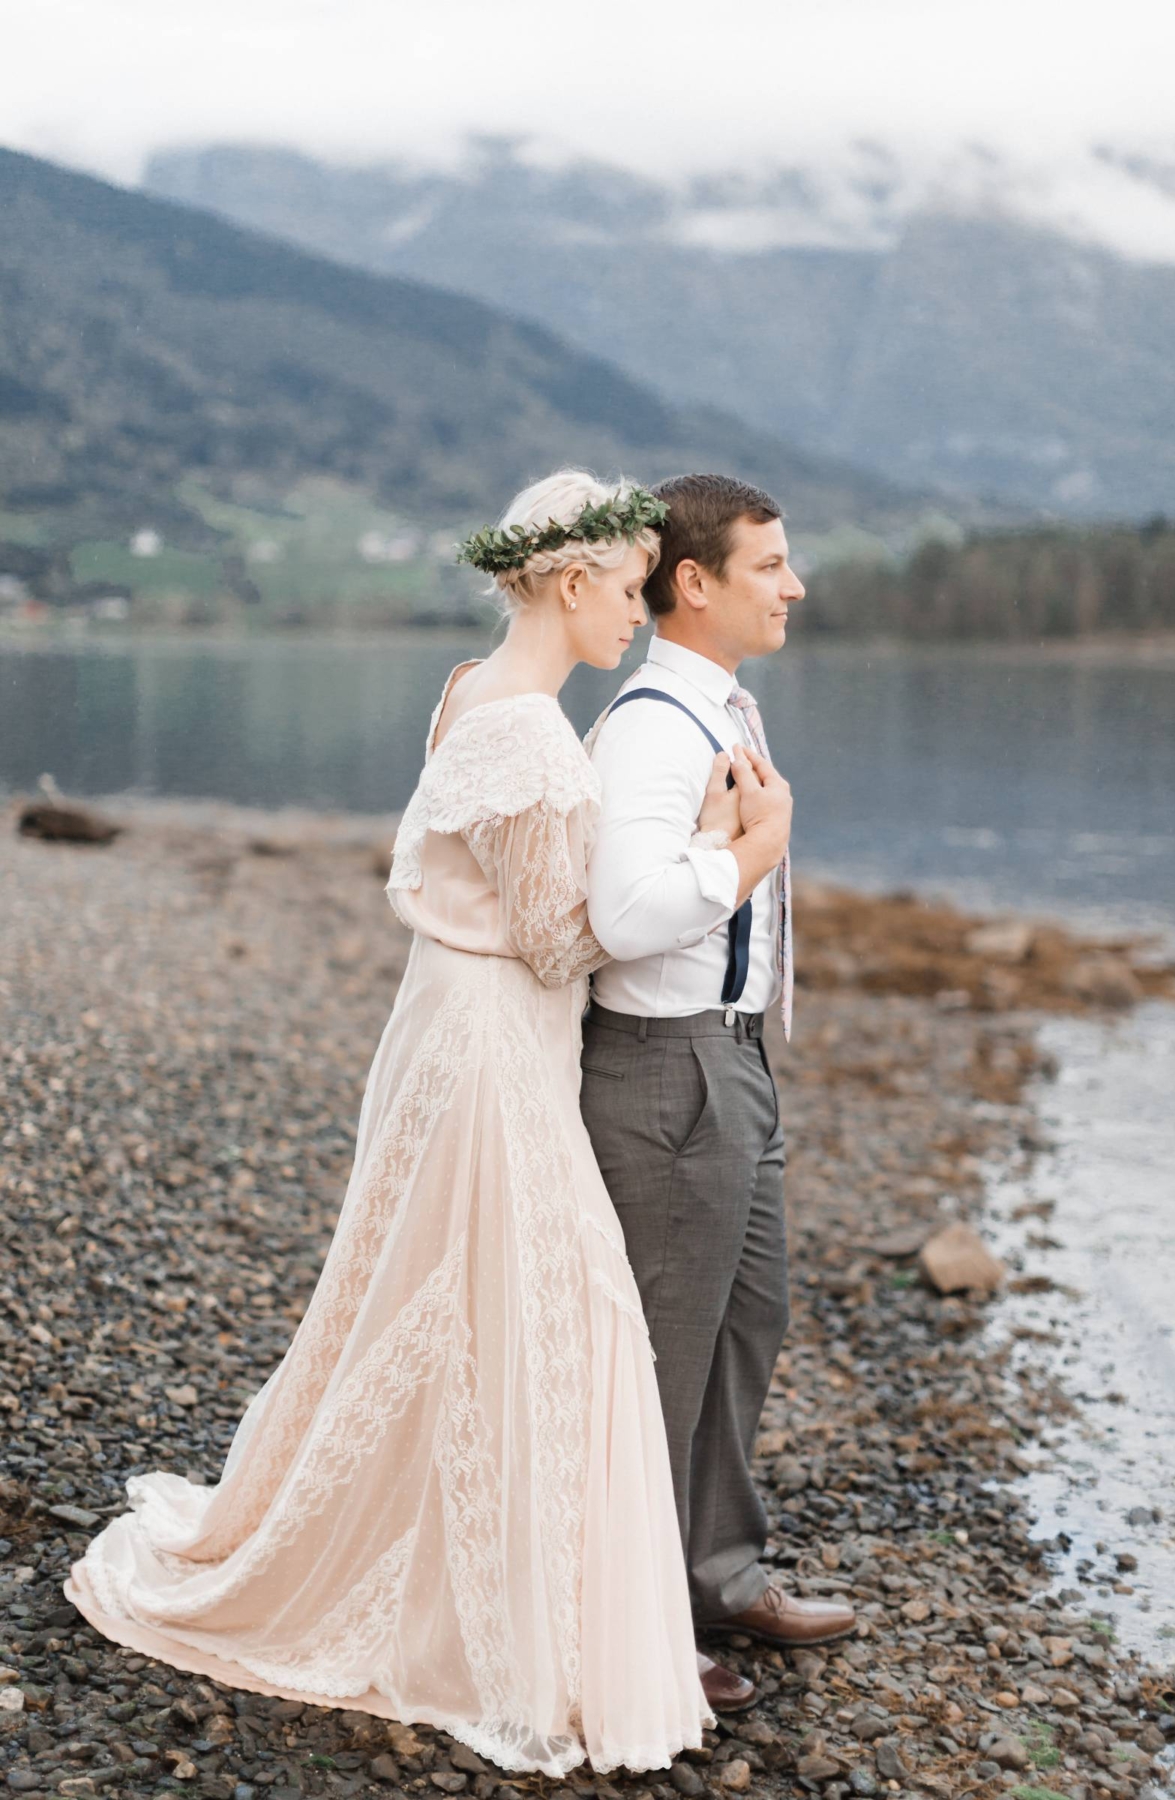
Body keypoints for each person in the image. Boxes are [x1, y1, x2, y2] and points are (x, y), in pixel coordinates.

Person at [65, 471, 736, 1780]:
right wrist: (721, 859)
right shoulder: (536, 735)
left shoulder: (466, 691)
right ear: (563, 580)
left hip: (447, 1030)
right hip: (492, 1046)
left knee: (439, 1294)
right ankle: (486, 1613)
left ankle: (446, 1555)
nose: (637, 609)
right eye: (622, 584)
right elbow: (555, 940)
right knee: (530, 1303)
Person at [581, 473, 857, 1706]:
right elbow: (628, 917)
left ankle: (719, 1575)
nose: (793, 585)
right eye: (770, 565)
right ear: (695, 583)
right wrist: (749, 854)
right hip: (667, 1071)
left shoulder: (717, 707)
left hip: (732, 1058)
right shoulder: (650, 725)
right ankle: (631, 1626)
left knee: (747, 1328)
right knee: (662, 1358)